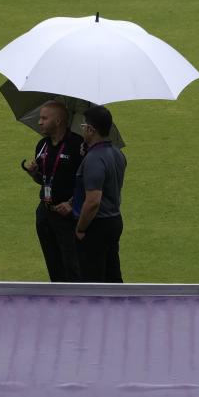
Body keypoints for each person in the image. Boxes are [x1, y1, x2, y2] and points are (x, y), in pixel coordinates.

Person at [22, 102, 85, 282]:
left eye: (44, 118)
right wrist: (34, 174)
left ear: (58, 121)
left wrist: (72, 204)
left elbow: (86, 182)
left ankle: (76, 305)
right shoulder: (42, 145)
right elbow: (43, 180)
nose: (39, 122)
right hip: (45, 213)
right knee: (53, 263)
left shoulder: (78, 145)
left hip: (68, 215)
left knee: (72, 265)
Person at [73, 105, 126, 282]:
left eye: (83, 126)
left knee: (92, 280)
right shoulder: (117, 153)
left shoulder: (95, 159)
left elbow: (93, 201)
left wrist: (80, 228)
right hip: (114, 220)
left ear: (91, 129)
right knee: (112, 276)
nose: (82, 130)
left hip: (97, 225)